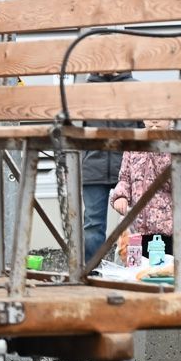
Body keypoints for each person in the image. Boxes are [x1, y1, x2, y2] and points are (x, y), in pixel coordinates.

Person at [107, 120, 181, 262]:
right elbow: (125, 177)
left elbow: (179, 182)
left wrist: (159, 148)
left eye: (160, 116)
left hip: (169, 230)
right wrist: (121, 196)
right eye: (149, 116)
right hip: (137, 228)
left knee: (165, 276)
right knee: (136, 276)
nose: (154, 120)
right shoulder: (134, 142)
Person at [79, 71, 138, 264]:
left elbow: (144, 127)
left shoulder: (136, 88)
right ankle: (91, 271)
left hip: (129, 168)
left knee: (137, 223)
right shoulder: (83, 92)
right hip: (93, 168)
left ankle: (134, 269)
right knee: (93, 226)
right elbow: (73, 129)